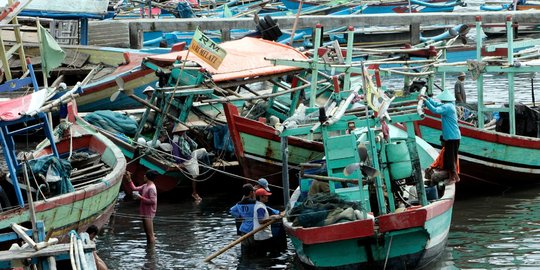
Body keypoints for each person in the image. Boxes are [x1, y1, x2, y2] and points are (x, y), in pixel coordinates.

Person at [420, 90, 461, 183]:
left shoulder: (448, 107)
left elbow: (435, 110)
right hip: (451, 136)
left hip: (452, 137)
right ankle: (452, 176)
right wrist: (428, 99)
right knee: (448, 157)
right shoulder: (448, 105)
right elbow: (436, 104)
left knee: (451, 158)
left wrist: (425, 101)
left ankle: (454, 177)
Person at [171, 123, 210, 202]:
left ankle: (207, 167)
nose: (184, 132)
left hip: (191, 155)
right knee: (195, 174)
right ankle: (194, 192)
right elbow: (176, 153)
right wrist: (179, 162)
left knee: (203, 151)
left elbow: (194, 146)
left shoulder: (184, 137)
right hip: (186, 160)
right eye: (182, 131)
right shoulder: (175, 139)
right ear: (178, 132)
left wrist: (188, 138)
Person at [125, 170, 158, 244]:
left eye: (145, 175)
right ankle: (149, 248)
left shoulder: (152, 188)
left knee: (150, 234)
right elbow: (134, 188)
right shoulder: (145, 186)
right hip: (144, 212)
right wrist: (129, 179)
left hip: (149, 213)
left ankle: (152, 252)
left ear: (148, 177)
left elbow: (153, 201)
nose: (144, 176)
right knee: (147, 233)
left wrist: (141, 198)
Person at [252, 188, 282, 256]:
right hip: (263, 236)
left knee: (262, 255)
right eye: (266, 196)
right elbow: (261, 221)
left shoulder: (259, 205)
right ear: (261, 197)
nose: (267, 197)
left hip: (260, 235)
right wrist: (272, 217)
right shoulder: (260, 207)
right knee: (274, 253)